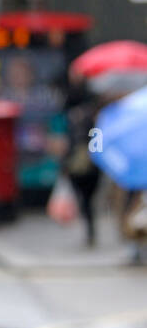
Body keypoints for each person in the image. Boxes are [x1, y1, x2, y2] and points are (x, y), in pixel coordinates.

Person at [62, 76, 102, 246]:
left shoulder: (73, 117)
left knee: (85, 200)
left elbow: (70, 143)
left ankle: (89, 230)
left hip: (79, 164)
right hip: (90, 164)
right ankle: (90, 229)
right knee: (88, 200)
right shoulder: (93, 116)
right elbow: (96, 138)